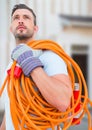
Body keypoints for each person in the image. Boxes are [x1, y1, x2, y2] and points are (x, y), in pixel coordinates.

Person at [0, 4, 72, 130]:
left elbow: (63, 102)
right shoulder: (11, 65)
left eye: (26, 17)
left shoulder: (49, 56)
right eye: (16, 18)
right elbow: (11, 106)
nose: (20, 20)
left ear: (35, 28)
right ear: (11, 28)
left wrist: (30, 63)